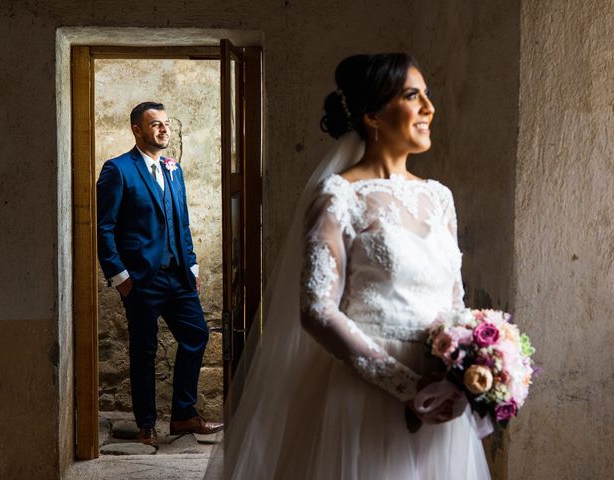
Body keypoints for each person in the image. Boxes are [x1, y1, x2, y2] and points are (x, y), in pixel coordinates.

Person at [205, 54, 490, 479]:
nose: (429, 108)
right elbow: (317, 311)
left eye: (427, 95)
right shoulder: (339, 196)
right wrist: (406, 387)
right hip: (367, 395)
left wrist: (471, 362)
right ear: (373, 115)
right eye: (413, 96)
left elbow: (455, 300)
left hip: (440, 390)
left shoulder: (440, 197)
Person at [96, 102, 223, 448]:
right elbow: (103, 227)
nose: (164, 130)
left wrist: (191, 264)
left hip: (178, 276)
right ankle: (146, 424)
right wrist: (120, 276)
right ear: (137, 129)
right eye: (156, 124)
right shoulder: (118, 170)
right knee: (144, 351)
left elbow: (181, 220)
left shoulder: (173, 169)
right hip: (140, 280)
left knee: (196, 334)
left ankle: (183, 414)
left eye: (166, 124)